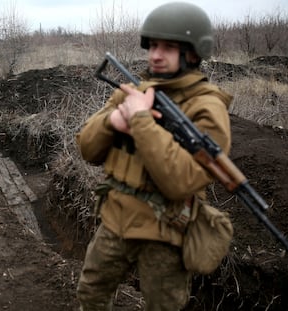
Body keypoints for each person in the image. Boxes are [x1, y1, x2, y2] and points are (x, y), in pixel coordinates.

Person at [75, 2, 233, 310]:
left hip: (164, 232)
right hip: (115, 218)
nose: (156, 55)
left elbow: (180, 182)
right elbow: (87, 149)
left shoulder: (206, 108)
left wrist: (141, 121)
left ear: (192, 53)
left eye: (169, 47)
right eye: (153, 46)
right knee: (90, 295)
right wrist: (112, 122)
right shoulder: (135, 92)